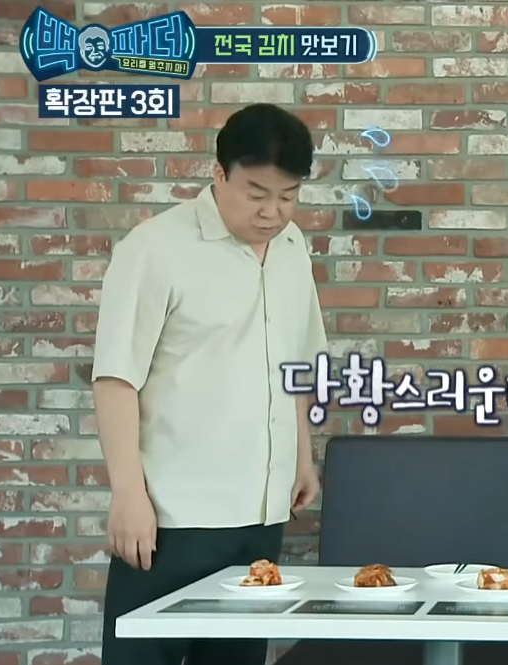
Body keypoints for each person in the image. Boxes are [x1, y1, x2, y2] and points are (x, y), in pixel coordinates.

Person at [93, 103, 329, 665]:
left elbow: (294, 360)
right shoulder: (155, 248)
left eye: (288, 196)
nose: (273, 212)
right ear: (219, 173)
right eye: (256, 193)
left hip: (261, 515)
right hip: (173, 514)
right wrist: (128, 494)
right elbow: (116, 378)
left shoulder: (292, 248)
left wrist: (301, 455)